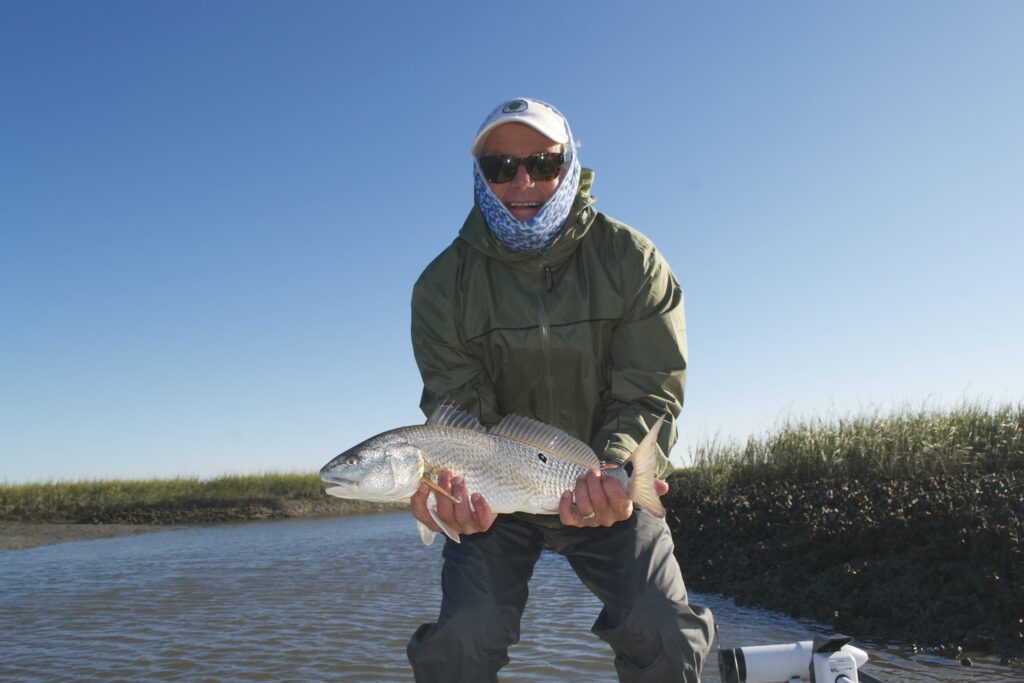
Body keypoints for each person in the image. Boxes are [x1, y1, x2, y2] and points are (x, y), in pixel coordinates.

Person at [406, 97, 713, 682]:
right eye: (500, 168)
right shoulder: (441, 287)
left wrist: (616, 470)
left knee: (665, 629)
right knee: (463, 640)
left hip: (600, 484)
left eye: (543, 164)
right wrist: (450, 496)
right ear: (481, 176)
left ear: (569, 164)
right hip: (494, 501)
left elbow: (650, 392)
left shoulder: (633, 262)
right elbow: (458, 415)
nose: (523, 182)